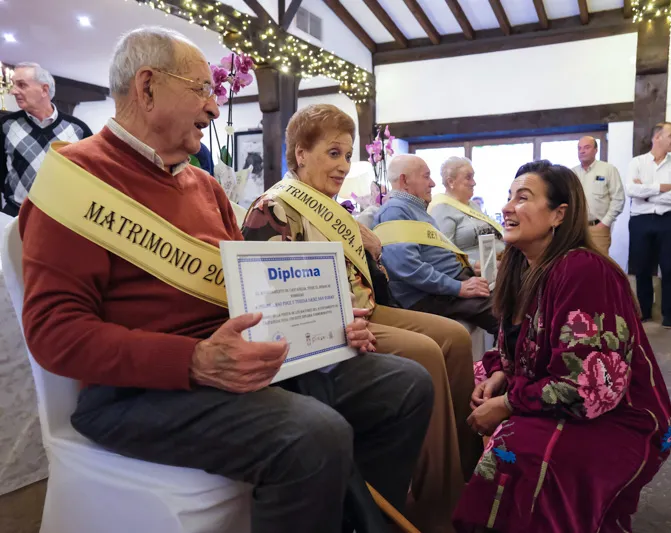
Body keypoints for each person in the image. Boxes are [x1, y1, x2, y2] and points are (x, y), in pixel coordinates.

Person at [18, 27, 433, 532]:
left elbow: (247, 290)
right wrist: (193, 361)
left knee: (406, 385)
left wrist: (326, 330)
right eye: (202, 90)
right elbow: (54, 333)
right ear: (147, 88)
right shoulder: (76, 180)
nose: (215, 109)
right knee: (311, 433)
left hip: (238, 367)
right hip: (134, 393)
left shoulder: (206, 186)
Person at [241, 104, 479, 531]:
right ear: (300, 154)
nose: (344, 165)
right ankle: (434, 506)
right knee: (425, 351)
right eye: (333, 153)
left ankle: (464, 472)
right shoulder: (274, 209)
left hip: (367, 311)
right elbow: (268, 305)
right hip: (327, 327)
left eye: (348, 155)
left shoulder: (333, 209)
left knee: (455, 339)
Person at [452, 160, 671, 532]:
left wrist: (507, 403)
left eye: (522, 197)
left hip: (616, 415)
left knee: (517, 449)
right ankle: (453, 493)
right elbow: (518, 345)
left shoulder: (583, 270)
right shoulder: (521, 266)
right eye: (508, 197)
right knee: (459, 381)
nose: (506, 207)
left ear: (559, 214)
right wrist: (499, 373)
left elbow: (591, 390)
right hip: (555, 392)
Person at [373, 154, 498, 335]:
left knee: (514, 303)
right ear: (404, 180)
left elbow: (437, 254)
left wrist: (470, 267)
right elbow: (407, 268)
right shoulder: (396, 210)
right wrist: (458, 288)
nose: (432, 183)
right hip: (430, 295)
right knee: (506, 315)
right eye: (426, 176)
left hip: (446, 287)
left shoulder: (413, 209)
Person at [1, 62, 92, 216]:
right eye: (13, 85)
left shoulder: (79, 129)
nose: (14, 91)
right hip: (14, 215)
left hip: (60, 218)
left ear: (44, 90)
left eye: (22, 85)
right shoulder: (6, 126)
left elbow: (88, 177)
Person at [625, 122, 671, 328]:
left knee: (669, 269)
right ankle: (643, 312)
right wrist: (661, 187)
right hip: (640, 221)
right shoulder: (637, 162)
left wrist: (646, 193)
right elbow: (632, 191)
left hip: (668, 221)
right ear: (657, 137)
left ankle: (669, 315)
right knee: (641, 269)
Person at [429, 156, 505, 265]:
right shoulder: (441, 208)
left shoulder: (473, 205)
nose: (474, 183)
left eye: (473, 177)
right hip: (472, 276)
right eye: (468, 178)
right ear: (451, 182)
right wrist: (475, 265)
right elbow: (442, 253)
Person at [571, 136, 625, 255]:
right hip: (576, 230)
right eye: (579, 148)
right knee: (576, 265)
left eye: (587, 147)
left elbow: (618, 199)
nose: (582, 151)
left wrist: (605, 223)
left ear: (596, 150)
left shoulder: (608, 169)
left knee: (599, 266)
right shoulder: (572, 173)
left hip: (598, 228)